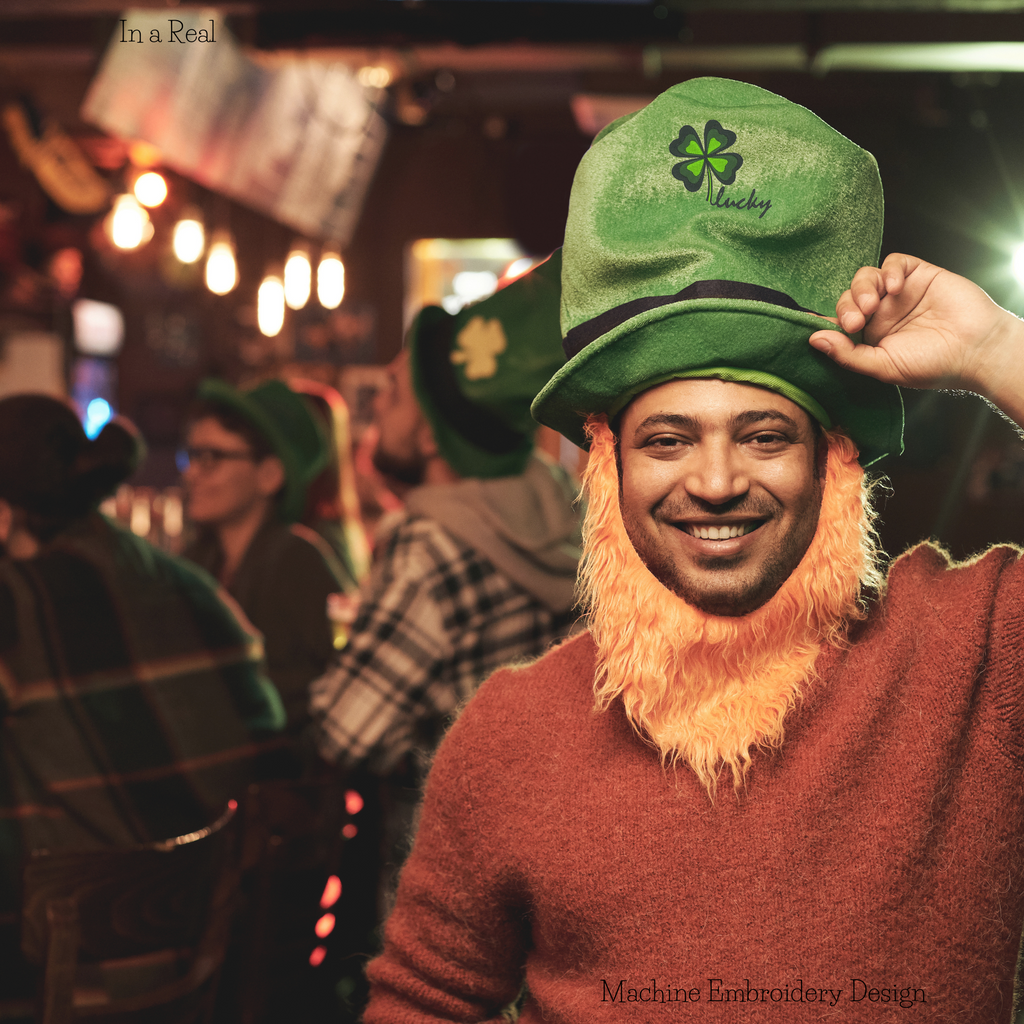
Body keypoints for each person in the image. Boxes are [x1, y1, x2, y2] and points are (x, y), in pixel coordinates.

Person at [362, 78, 1024, 1022]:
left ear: (835, 456)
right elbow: (421, 1003)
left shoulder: (975, 659)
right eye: (668, 439)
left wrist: (1000, 347)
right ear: (606, 464)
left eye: (764, 436)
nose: (714, 481)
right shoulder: (510, 737)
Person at [0, 394, 285, 998]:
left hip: (65, 982)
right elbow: (268, 747)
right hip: (205, 968)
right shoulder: (193, 587)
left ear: (5, 514)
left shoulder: (18, 604)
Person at [310, 250, 583, 777]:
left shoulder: (432, 546)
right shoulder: (563, 507)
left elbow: (343, 734)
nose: (378, 405)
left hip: (447, 839)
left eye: (393, 390)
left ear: (432, 436)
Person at [182, 378, 348, 734]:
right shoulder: (195, 562)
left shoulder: (299, 562)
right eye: (192, 456)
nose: (191, 472)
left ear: (270, 476)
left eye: (211, 458)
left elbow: (340, 684)